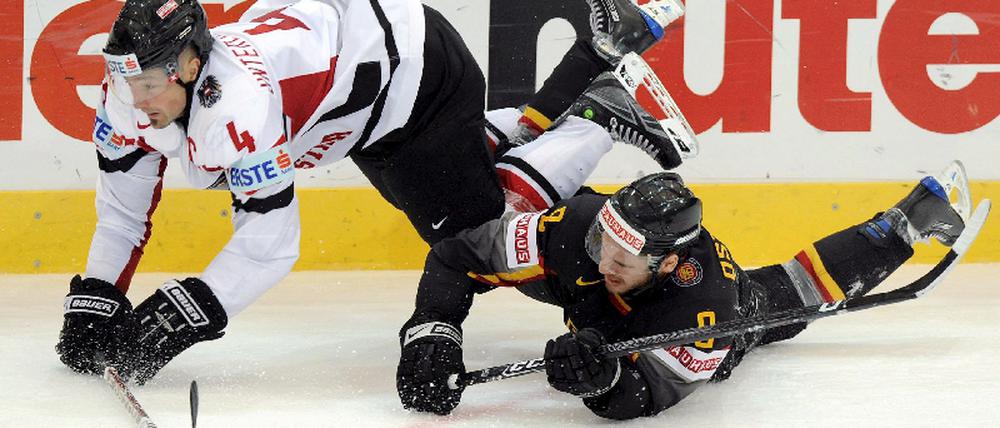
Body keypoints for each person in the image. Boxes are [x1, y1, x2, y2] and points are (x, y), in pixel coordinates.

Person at [56, 0, 686, 384]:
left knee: (480, 235)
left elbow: (271, 244)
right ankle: (589, 65)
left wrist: (184, 312)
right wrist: (98, 292)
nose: (136, 101)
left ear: (192, 66)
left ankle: (593, 115)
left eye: (149, 85)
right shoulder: (132, 94)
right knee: (461, 187)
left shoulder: (239, 111)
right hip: (363, 90)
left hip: (418, 82)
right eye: (125, 80)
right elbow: (122, 204)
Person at [395, 161, 974, 418]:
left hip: (713, 306)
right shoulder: (578, 229)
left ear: (668, 263)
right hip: (598, 305)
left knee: (788, 296)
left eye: (622, 257)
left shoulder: (707, 310)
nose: (604, 261)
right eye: (603, 243)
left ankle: (901, 226)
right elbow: (455, 258)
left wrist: (606, 382)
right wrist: (432, 333)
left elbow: (649, 395)